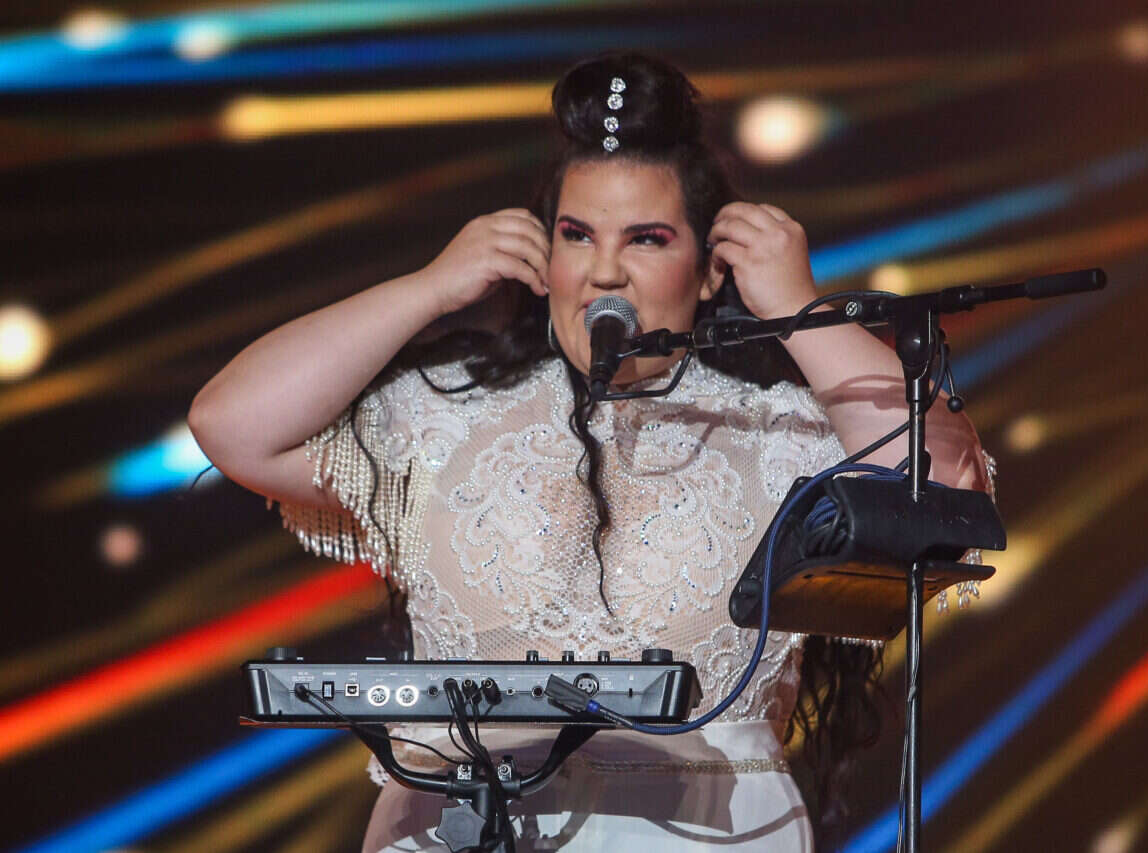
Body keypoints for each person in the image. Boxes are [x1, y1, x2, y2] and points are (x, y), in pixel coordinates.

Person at [190, 52, 989, 852]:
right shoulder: (443, 418)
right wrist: (430, 286)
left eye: (647, 239)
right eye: (576, 235)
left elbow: (946, 484)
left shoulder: (775, 431)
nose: (604, 270)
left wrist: (798, 306)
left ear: (708, 271)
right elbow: (233, 423)